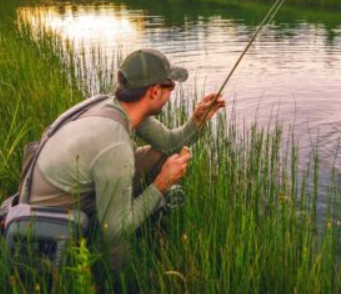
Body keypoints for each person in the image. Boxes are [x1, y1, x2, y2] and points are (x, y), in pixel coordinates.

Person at [26, 48, 225, 265]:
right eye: (171, 86)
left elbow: (169, 144)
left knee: (159, 155)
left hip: (68, 192)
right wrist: (161, 184)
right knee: (117, 236)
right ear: (155, 92)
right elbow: (113, 232)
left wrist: (197, 120)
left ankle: (138, 218)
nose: (172, 93)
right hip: (55, 220)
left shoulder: (114, 105)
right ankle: (119, 277)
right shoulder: (114, 145)